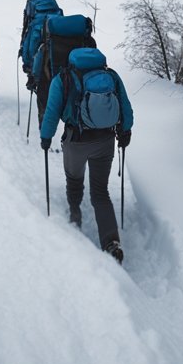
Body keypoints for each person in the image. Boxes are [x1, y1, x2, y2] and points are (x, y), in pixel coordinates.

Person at [38, 47, 133, 264]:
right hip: (105, 141)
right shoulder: (111, 76)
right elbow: (126, 107)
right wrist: (125, 131)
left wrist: (46, 137)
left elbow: (52, 111)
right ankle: (111, 242)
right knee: (100, 192)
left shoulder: (62, 78)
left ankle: (75, 220)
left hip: (76, 142)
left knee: (74, 182)